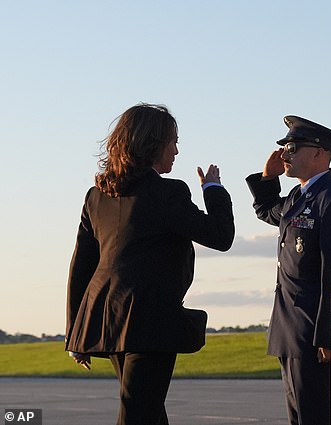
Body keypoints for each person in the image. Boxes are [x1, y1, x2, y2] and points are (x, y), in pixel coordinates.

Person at [65, 103, 235, 425]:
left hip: (107, 320)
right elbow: (220, 236)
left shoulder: (96, 195)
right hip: (149, 321)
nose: (176, 150)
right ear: (153, 144)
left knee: (148, 411)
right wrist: (213, 190)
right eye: (172, 141)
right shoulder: (167, 193)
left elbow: (81, 267)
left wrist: (75, 333)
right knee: (139, 414)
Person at [246, 115, 331, 425]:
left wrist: (329, 334)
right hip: (290, 327)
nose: (285, 154)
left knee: (315, 415)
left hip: (312, 332)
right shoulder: (299, 197)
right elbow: (268, 211)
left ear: (318, 153)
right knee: (298, 415)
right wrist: (267, 178)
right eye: (285, 147)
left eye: (292, 148)